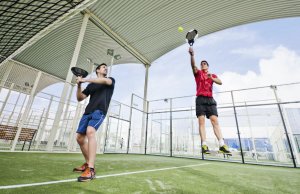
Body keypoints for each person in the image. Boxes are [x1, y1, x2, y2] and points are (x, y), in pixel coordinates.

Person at [73, 63, 115, 182]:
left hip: (99, 111)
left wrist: (84, 79)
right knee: (80, 138)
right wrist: (79, 85)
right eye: (103, 67)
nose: (105, 68)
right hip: (88, 112)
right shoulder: (91, 85)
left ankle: (91, 170)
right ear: (97, 70)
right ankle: (87, 163)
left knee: (90, 132)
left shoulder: (110, 80)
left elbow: (104, 81)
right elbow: (80, 98)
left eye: (106, 68)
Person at [188, 47, 231, 156]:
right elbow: (193, 66)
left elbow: (220, 82)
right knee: (201, 122)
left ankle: (222, 145)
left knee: (214, 121)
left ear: (208, 66)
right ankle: (204, 145)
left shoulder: (212, 75)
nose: (203, 64)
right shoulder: (198, 73)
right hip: (200, 99)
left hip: (210, 100)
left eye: (205, 63)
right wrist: (192, 55)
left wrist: (211, 77)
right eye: (201, 63)